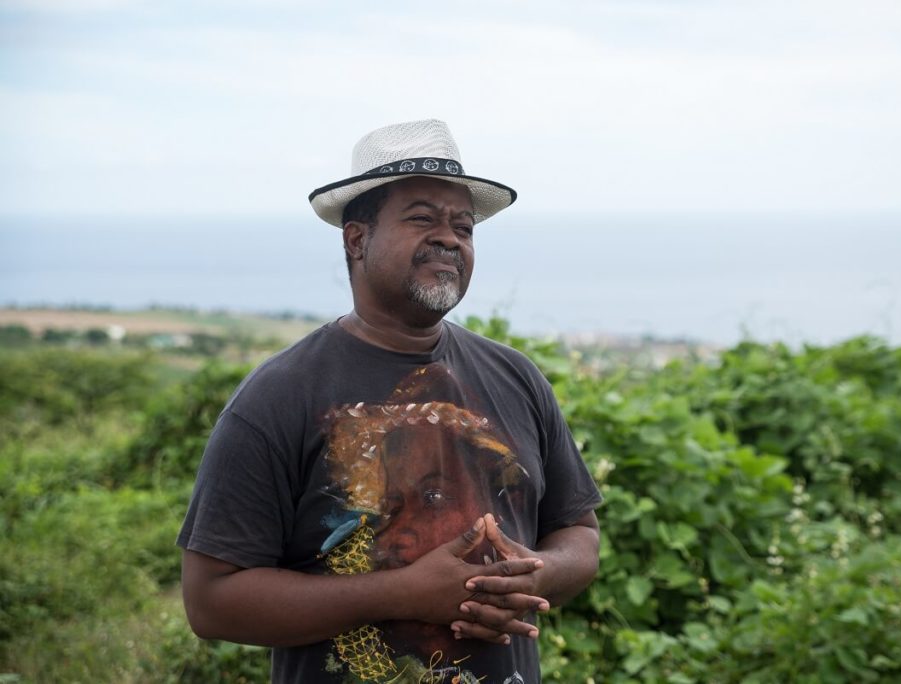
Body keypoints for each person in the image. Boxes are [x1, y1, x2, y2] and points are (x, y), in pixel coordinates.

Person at [178, 119, 602, 683]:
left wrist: (536, 574)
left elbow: (580, 534)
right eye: (422, 217)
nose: (450, 238)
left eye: (464, 226)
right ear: (357, 239)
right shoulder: (279, 396)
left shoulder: (516, 377)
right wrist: (401, 593)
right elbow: (211, 602)